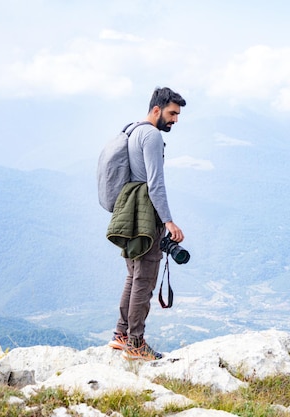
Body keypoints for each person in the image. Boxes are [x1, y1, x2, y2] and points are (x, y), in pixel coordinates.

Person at [108, 87, 186, 360]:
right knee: (144, 279)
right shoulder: (151, 135)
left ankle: (121, 335)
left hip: (129, 211)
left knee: (133, 276)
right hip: (144, 216)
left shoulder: (133, 130)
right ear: (157, 109)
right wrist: (168, 221)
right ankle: (136, 343)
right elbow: (156, 184)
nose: (175, 119)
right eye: (172, 113)